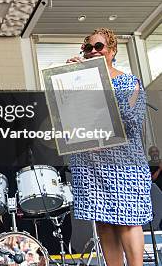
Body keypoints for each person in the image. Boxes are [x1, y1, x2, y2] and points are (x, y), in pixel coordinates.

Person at [67, 28, 152, 266]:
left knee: (128, 221)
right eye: (88, 48)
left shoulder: (128, 81)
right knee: (103, 222)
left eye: (99, 47)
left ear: (112, 51)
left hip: (123, 164)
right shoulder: (77, 82)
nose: (92, 52)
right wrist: (70, 78)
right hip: (89, 164)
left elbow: (131, 120)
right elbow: (65, 117)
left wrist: (96, 82)